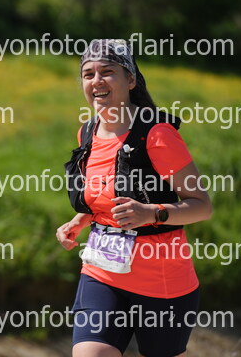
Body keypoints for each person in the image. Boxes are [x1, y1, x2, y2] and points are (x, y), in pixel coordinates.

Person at [56, 39, 213, 357]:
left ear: (130, 80)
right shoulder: (87, 132)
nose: (96, 81)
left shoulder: (157, 134)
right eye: (88, 74)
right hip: (101, 274)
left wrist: (152, 213)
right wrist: (80, 219)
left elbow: (202, 206)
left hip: (162, 283)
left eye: (107, 71)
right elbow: (107, 193)